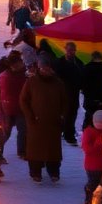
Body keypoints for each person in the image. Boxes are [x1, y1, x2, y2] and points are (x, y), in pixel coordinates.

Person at [20, 53, 67, 183]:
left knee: (53, 150)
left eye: (47, 68)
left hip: (53, 122)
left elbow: (65, 101)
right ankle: (35, 172)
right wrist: (30, 117)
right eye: (43, 68)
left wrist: (62, 116)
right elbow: (24, 101)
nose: (45, 71)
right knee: (35, 149)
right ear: (39, 68)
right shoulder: (31, 82)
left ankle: (54, 171)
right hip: (36, 122)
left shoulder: (58, 83)